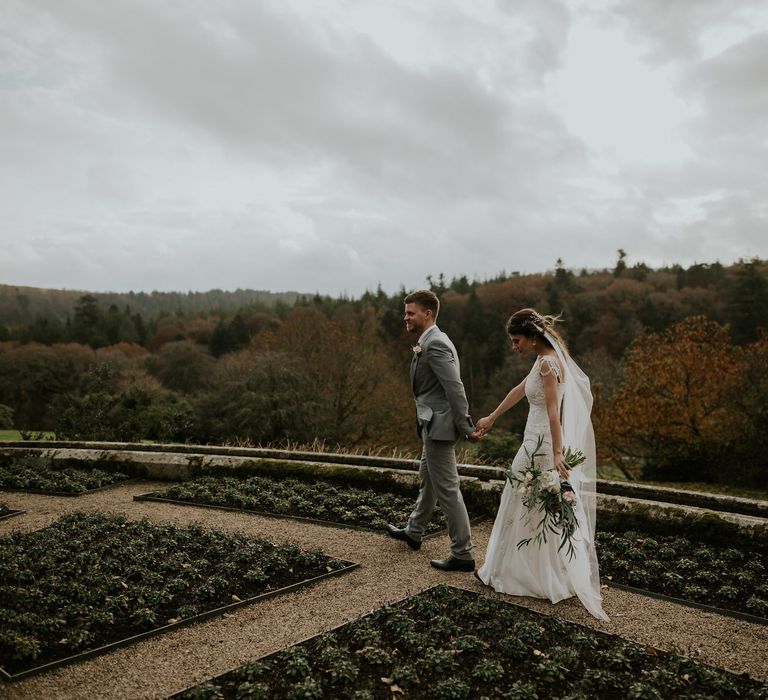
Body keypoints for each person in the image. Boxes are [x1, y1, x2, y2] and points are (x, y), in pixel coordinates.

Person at [475, 309, 608, 621]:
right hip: (531, 443)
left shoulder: (549, 363)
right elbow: (519, 391)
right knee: (526, 506)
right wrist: (492, 418)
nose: (514, 346)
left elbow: (552, 413)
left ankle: (530, 575)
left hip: (541, 446)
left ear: (532, 338)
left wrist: (558, 454)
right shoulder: (542, 359)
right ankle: (526, 569)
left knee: (527, 505)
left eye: (516, 340)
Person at [385, 289, 479, 572]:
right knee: (428, 481)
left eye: (410, 313)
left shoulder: (435, 343)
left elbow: (455, 388)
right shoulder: (429, 340)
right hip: (431, 424)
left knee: (448, 490)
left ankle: (463, 553)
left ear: (428, 314)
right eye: (405, 313)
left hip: (439, 428)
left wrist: (465, 426)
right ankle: (414, 531)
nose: (406, 318)